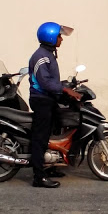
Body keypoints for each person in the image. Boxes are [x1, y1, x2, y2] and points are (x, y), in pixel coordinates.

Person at [29, 21, 73, 188]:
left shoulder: (48, 54)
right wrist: (65, 90)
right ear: (50, 37)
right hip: (41, 100)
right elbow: (45, 83)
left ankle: (50, 166)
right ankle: (38, 177)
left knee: (52, 134)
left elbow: (51, 80)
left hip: (49, 99)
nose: (61, 39)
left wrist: (66, 86)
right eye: (59, 36)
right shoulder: (41, 56)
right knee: (40, 137)